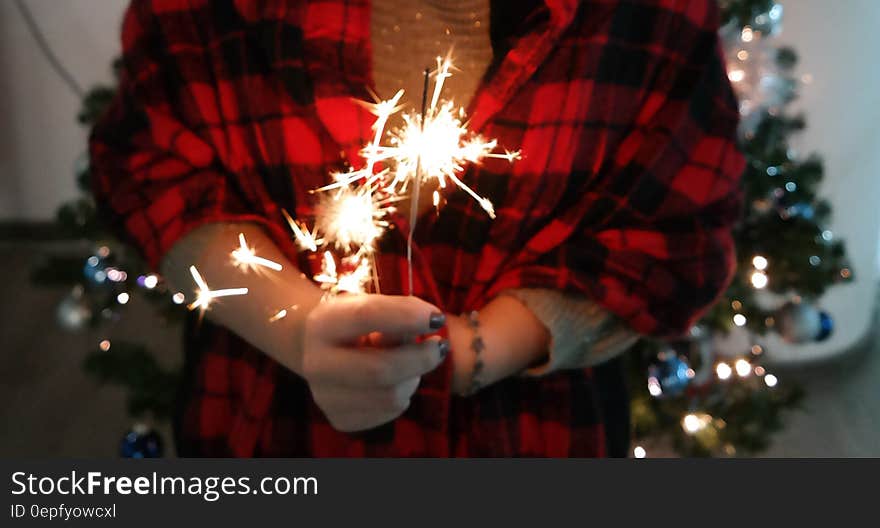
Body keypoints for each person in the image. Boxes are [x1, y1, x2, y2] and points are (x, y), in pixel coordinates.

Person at [90, 0, 744, 457]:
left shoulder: (653, 19)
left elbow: (671, 236)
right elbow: (151, 166)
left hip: (538, 437)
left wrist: (466, 354)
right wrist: (293, 325)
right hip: (263, 431)